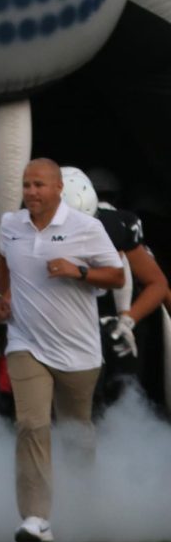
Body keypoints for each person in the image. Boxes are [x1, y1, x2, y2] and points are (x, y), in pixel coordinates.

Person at [0, 159, 124, 542]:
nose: (31, 192)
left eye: (39, 185)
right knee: (32, 424)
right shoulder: (10, 224)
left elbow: (116, 276)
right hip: (25, 342)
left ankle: (85, 502)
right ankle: (35, 517)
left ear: (58, 189)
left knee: (76, 431)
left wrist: (78, 271)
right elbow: (3, 262)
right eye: (26, 185)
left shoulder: (87, 227)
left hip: (79, 350)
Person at [59, 168, 168, 410]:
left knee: (124, 399)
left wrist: (127, 319)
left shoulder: (118, 228)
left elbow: (157, 284)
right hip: (66, 331)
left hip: (112, 328)